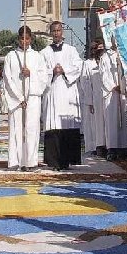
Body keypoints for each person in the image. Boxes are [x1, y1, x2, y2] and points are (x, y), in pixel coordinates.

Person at [3, 26, 50, 171]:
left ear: (31, 39)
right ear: (18, 39)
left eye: (27, 38)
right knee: (16, 129)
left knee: (31, 130)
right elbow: (7, 78)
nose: (24, 41)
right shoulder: (11, 56)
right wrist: (19, 97)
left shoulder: (37, 56)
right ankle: (15, 161)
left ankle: (30, 162)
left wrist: (31, 74)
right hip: (16, 100)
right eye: (22, 38)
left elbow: (44, 78)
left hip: (32, 98)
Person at [41, 21, 84, 170]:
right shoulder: (44, 52)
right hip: (53, 91)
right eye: (54, 31)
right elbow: (41, 72)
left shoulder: (71, 50)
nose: (56, 33)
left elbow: (78, 66)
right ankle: (54, 161)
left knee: (67, 124)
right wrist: (52, 72)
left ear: (62, 32)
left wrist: (64, 70)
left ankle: (67, 160)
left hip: (68, 92)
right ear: (50, 33)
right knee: (53, 125)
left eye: (58, 30)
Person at [99, 42, 127, 161]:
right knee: (111, 120)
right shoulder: (105, 57)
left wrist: (123, 85)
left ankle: (124, 147)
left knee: (125, 119)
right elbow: (103, 75)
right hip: (111, 91)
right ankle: (112, 148)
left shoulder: (125, 54)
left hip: (124, 92)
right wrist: (114, 86)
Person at [79, 41, 105, 155]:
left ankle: (104, 145)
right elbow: (85, 83)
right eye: (95, 49)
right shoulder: (87, 63)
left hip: (104, 97)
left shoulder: (104, 62)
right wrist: (90, 101)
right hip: (93, 98)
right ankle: (94, 147)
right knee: (93, 124)